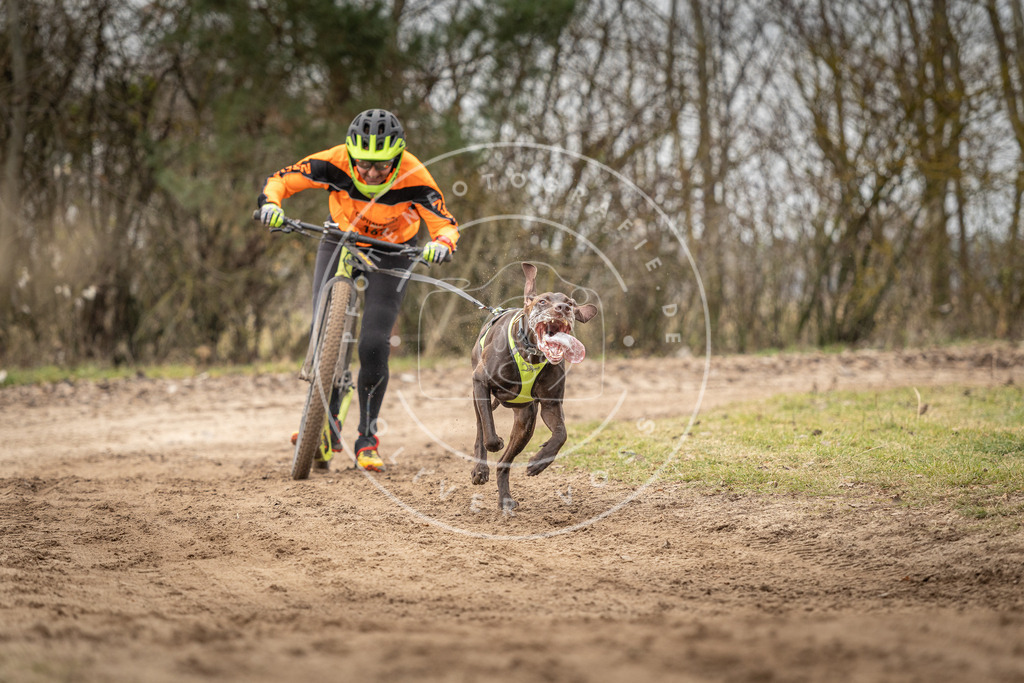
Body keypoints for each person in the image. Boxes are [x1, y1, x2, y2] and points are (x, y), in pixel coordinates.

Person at [257, 109, 459, 472]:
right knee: (321, 325)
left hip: (394, 250)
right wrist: (271, 204)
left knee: (373, 342)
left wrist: (441, 244)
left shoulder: (415, 176)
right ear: (350, 154)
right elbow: (281, 180)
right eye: (363, 163)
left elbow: (445, 224)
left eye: (381, 166)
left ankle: (367, 437)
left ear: (397, 158)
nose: (369, 173)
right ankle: (325, 419)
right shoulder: (333, 162)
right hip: (341, 236)